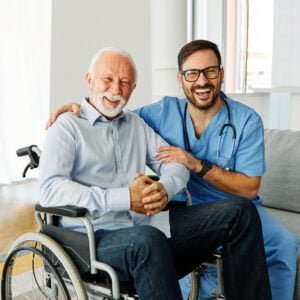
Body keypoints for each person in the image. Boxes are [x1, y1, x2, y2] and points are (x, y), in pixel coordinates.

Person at [41, 46, 272, 300]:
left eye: (125, 82)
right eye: (108, 79)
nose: (116, 89)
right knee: (147, 241)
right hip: (92, 237)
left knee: (240, 211)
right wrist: (125, 198)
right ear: (89, 80)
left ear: (134, 88)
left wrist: (165, 187)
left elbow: (174, 163)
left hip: (146, 224)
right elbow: (51, 190)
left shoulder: (136, 124)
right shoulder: (66, 127)